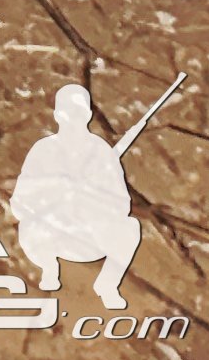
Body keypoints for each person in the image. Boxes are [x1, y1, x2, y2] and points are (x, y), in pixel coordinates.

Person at [9, 83, 142, 308]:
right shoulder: (43, 149)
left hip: (90, 236)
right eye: (66, 112)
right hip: (51, 235)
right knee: (29, 226)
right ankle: (49, 269)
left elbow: (122, 204)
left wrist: (93, 195)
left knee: (130, 228)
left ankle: (108, 284)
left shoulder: (101, 151)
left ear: (88, 114)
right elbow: (18, 200)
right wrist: (57, 185)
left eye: (78, 112)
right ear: (57, 115)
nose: (72, 118)